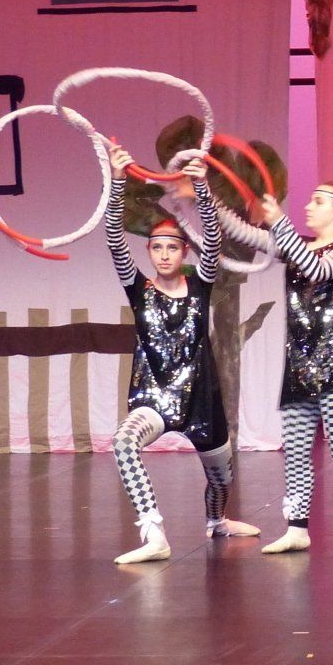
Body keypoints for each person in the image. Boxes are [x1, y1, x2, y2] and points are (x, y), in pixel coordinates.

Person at [104, 142, 254, 565]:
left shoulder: (201, 286)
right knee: (122, 442)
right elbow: (114, 239)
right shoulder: (139, 290)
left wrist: (201, 187)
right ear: (149, 253)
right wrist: (118, 182)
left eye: (172, 247)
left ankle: (217, 521)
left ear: (183, 253)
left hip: (200, 400)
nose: (165, 254)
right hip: (153, 397)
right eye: (157, 248)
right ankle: (154, 533)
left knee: (222, 479)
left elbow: (212, 237)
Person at [258, 181, 333, 555]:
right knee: (295, 448)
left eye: (318, 201)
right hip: (301, 362)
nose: (308, 206)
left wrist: (280, 224)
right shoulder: (296, 245)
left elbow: (317, 269)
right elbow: (243, 233)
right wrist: (196, 193)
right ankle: (296, 528)